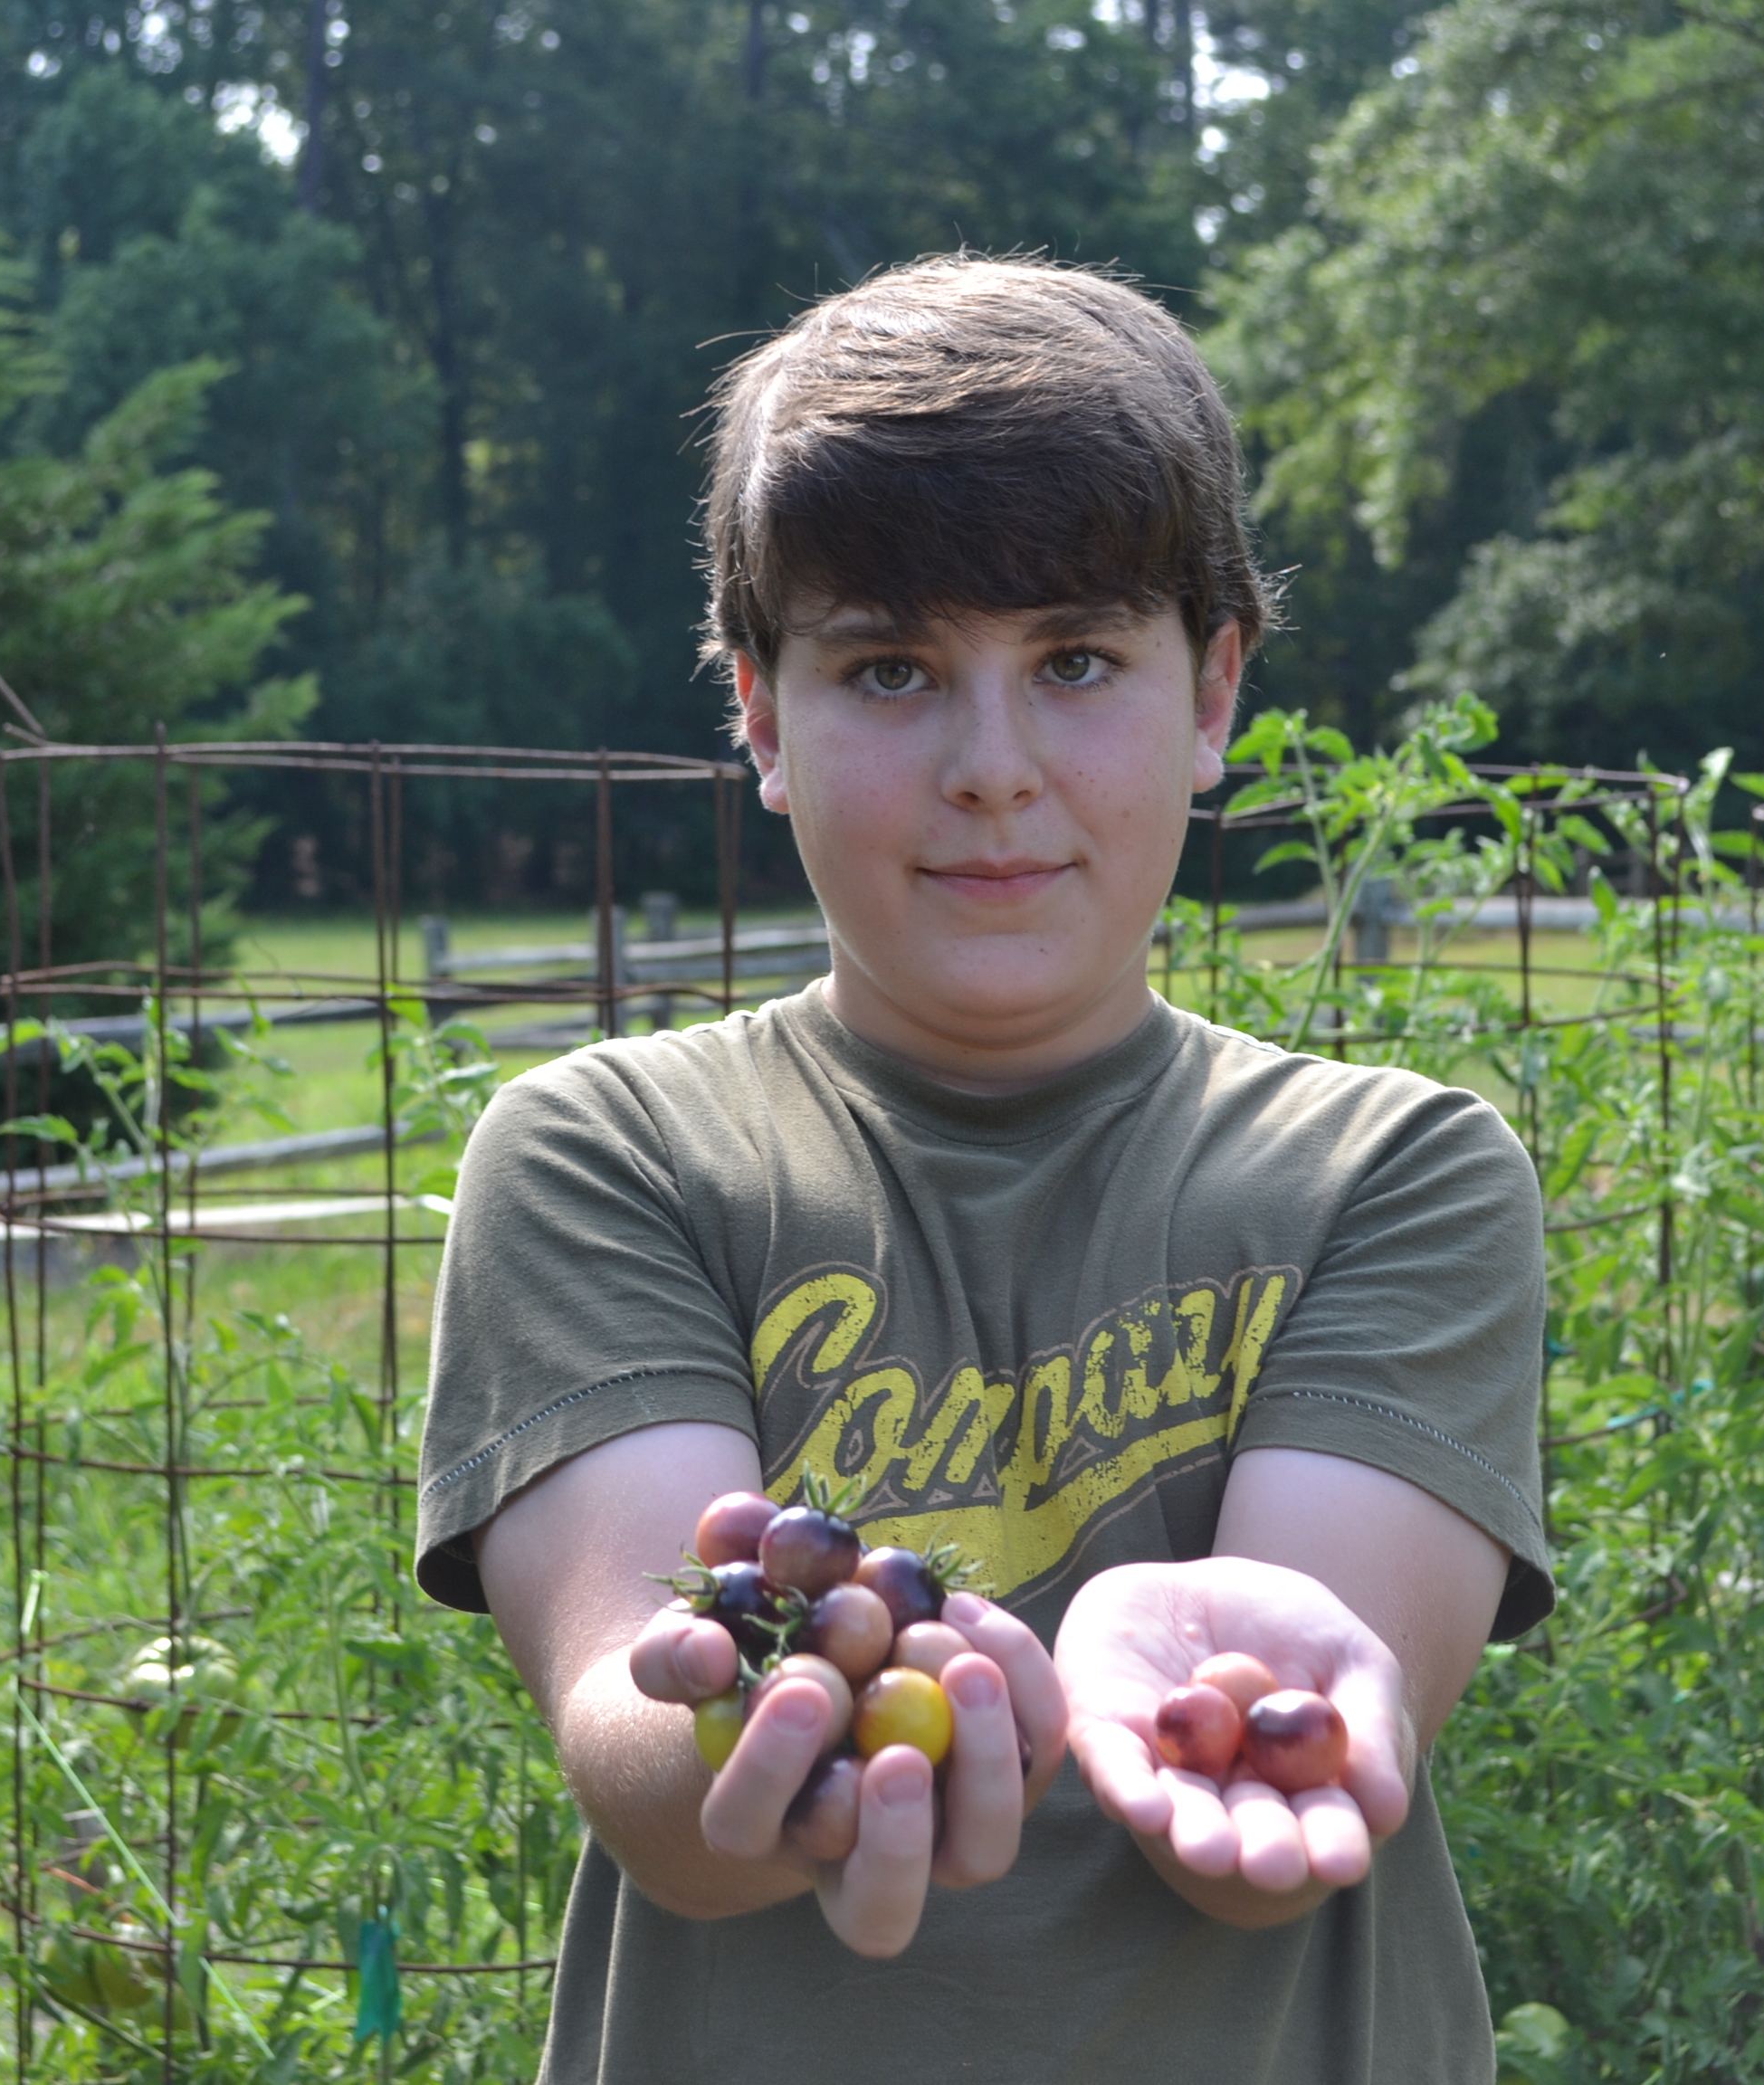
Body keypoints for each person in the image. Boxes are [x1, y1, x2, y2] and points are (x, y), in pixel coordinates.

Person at [413, 255, 1553, 2082]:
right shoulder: (611, 1155)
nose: (994, 770)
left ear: (1216, 695)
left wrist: (1231, 1709)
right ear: (764, 717)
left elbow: (1284, 1831)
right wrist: (761, 1743)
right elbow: (646, 1771)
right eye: (891, 670)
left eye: (1078, 661)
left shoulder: (1394, 1175)